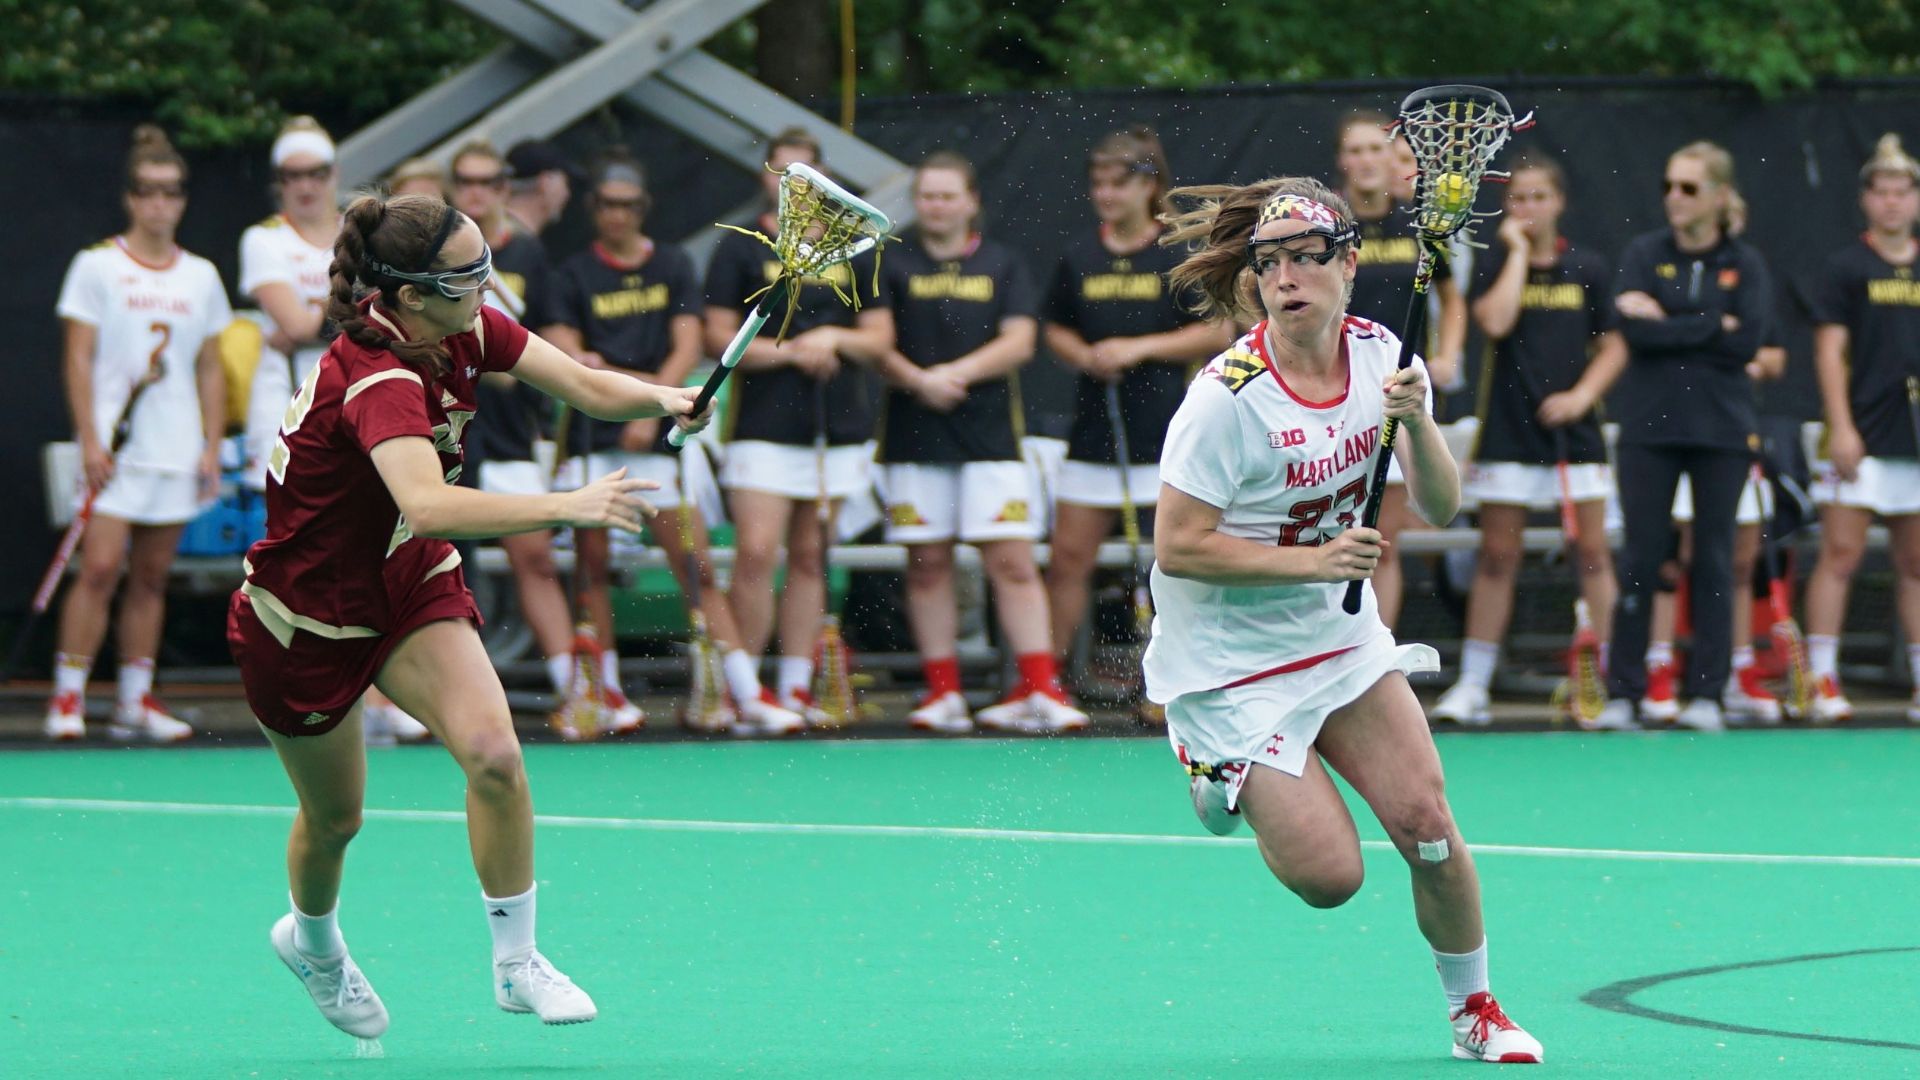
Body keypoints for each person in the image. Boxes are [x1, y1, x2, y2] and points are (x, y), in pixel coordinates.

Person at [231, 192, 707, 1037]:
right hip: (304, 620)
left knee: (493, 754)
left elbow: (587, 386)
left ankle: (518, 962)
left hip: (405, 582)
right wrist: (572, 504)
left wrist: (664, 397)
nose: (487, 288)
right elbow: (432, 502)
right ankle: (312, 942)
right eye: (469, 275)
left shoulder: (462, 327)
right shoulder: (377, 378)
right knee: (337, 820)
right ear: (411, 294)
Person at [1145, 176, 1541, 1064]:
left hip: (1335, 638)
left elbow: (1439, 506)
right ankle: (1210, 763)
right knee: (1332, 880)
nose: (1287, 277)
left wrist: (1418, 426)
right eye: (1270, 262)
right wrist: (1314, 563)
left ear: (1349, 264)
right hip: (1226, 665)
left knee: (1428, 827)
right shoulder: (1226, 398)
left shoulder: (1383, 355)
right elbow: (1177, 546)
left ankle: (1474, 1011)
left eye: (1306, 257)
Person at [546, 155, 803, 734]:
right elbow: (568, 353)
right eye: (608, 204)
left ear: (643, 209)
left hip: (660, 438)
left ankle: (741, 691)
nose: (618, 215)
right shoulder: (571, 274)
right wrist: (631, 397)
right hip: (596, 439)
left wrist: (651, 402)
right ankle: (603, 693)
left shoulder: (672, 264)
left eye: (628, 205)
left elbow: (688, 344)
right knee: (592, 570)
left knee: (696, 567)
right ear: (596, 210)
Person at [865, 152, 1087, 734]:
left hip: (991, 439)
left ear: (970, 201)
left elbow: (1019, 342)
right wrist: (918, 381)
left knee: (1011, 561)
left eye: (947, 196)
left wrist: (953, 374)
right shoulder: (891, 261)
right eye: (927, 196)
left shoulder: (1002, 263)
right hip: (914, 438)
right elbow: (875, 342)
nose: (936, 207)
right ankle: (944, 695)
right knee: (928, 564)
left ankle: (1040, 688)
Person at [43, 125, 230, 742]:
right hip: (114, 450)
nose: (159, 204)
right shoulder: (96, 266)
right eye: (147, 192)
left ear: (182, 200)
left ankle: (133, 700)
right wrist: (90, 439)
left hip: (174, 447)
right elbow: (77, 358)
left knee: (152, 577)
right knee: (98, 569)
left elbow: (209, 365)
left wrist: (208, 445)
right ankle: (68, 698)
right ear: (130, 197)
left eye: (170, 192)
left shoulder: (201, 276)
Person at [1431, 156, 1626, 728]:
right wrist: (1517, 252)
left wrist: (1581, 396)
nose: (1528, 209)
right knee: (1497, 557)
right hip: (1508, 434)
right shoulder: (1496, 263)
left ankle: (1611, 682)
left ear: (1559, 203)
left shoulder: (1588, 267)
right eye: (1518, 199)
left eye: (1539, 198)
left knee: (1592, 555)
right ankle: (1473, 687)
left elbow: (1613, 346)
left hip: (1575, 436)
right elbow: (1493, 322)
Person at [705, 128, 890, 722]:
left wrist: (834, 337)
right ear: (768, 180)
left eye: (806, 175)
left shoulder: (853, 248)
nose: (796, 187)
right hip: (762, 427)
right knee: (758, 552)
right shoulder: (740, 248)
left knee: (813, 557)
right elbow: (717, 338)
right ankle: (746, 693)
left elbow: (880, 338)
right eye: (783, 174)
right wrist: (792, 351)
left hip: (836, 425)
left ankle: (793, 688)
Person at [1040, 126, 1228, 705]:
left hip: (1167, 430)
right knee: (1069, 557)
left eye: (1117, 183)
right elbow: (1054, 327)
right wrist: (1084, 355)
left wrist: (1139, 349)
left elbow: (1222, 328)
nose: (1104, 194)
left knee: (1173, 564)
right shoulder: (1078, 254)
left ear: (1149, 185)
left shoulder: (1176, 253)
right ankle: (1046, 685)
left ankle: (1177, 685)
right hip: (1095, 429)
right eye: (1097, 183)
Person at [1595, 142, 1773, 732]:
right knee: (1643, 557)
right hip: (1650, 427)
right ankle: (1625, 692)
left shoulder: (1746, 264)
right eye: (1671, 185)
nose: (1675, 196)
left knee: (1716, 559)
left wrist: (1667, 321)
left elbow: (1748, 342)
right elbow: (1635, 335)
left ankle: (1707, 695)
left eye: (1690, 188)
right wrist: (1707, 325)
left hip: (1722, 429)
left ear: (1720, 196)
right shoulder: (1645, 253)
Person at [447, 140, 610, 729]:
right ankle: (447, 698)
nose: (477, 192)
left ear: (504, 188)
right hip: (450, 425)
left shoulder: (531, 255)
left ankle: (575, 691)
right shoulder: (438, 253)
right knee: (441, 562)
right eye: (466, 181)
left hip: (513, 431)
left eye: (490, 182)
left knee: (535, 556)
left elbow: (548, 334)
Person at [1335, 111, 1468, 628]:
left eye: (1377, 149)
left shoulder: (1419, 225)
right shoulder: (1329, 225)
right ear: (1342, 161)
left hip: (1395, 393)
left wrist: (1449, 355)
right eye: (1357, 150)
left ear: (1395, 159)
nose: (1367, 160)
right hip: (1334, 392)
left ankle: (1376, 653)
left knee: (1380, 542)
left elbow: (1452, 299)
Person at [1804, 133, 1920, 723]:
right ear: (1867, 200)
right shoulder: (1846, 267)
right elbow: (1830, 354)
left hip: (1915, 438)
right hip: (1861, 435)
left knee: (1916, 561)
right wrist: (1842, 428)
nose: (1894, 202)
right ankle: (1822, 679)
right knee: (1841, 554)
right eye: (1883, 192)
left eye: (1904, 191)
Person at [505, 140, 579, 239]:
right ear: (545, 182)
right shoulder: (518, 245)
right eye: (566, 183)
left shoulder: (490, 232)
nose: (567, 194)